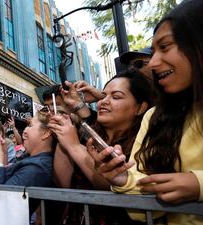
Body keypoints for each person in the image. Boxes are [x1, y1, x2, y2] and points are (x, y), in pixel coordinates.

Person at [89, 1, 203, 224]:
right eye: (152, 52)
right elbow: (145, 194)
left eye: (165, 47)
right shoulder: (155, 117)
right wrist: (121, 179)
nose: (153, 63)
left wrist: (198, 185)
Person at [49, 71, 154, 225]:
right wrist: (63, 138)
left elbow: (115, 184)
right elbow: (64, 184)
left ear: (141, 107)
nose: (103, 102)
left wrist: (74, 146)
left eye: (116, 97)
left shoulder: (146, 145)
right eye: (103, 96)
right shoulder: (87, 137)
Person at [0, 109, 57, 215]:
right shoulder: (28, 158)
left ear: (46, 133)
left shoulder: (35, 169)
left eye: (30, 125)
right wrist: (3, 154)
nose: (24, 130)